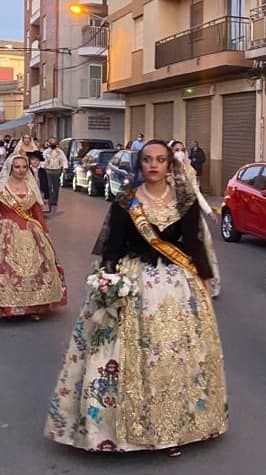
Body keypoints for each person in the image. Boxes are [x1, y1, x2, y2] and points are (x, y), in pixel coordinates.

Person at [44, 140, 228, 455]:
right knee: (121, 355)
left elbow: (195, 242)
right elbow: (112, 244)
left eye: (160, 160)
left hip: (177, 287)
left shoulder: (184, 200)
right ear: (139, 164)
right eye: (147, 160)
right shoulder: (126, 201)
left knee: (176, 356)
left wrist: (205, 276)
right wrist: (108, 278)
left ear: (169, 165)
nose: (153, 165)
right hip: (134, 282)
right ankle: (115, 431)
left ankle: (173, 430)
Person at [0, 154, 66, 319]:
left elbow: (37, 213)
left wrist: (45, 232)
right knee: (7, 270)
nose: (21, 170)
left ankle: (34, 307)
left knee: (36, 269)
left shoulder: (31, 187)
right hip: (7, 232)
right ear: (10, 168)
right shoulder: (2, 188)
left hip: (31, 231)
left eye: (24, 166)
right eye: (17, 167)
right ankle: (7, 306)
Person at [169, 139, 222, 297]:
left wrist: (208, 211)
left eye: (182, 149)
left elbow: (196, 193)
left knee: (204, 248)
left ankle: (209, 282)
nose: (179, 152)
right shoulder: (166, 171)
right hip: (172, 218)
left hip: (192, 217)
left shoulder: (190, 171)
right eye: (176, 149)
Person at [42, 137, 68, 214]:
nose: (53, 144)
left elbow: (64, 160)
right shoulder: (46, 152)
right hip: (48, 171)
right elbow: (42, 160)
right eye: (51, 142)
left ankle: (55, 200)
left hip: (57, 171)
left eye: (54, 142)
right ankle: (50, 200)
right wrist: (42, 166)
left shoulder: (60, 152)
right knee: (49, 186)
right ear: (49, 143)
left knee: (56, 186)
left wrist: (64, 168)